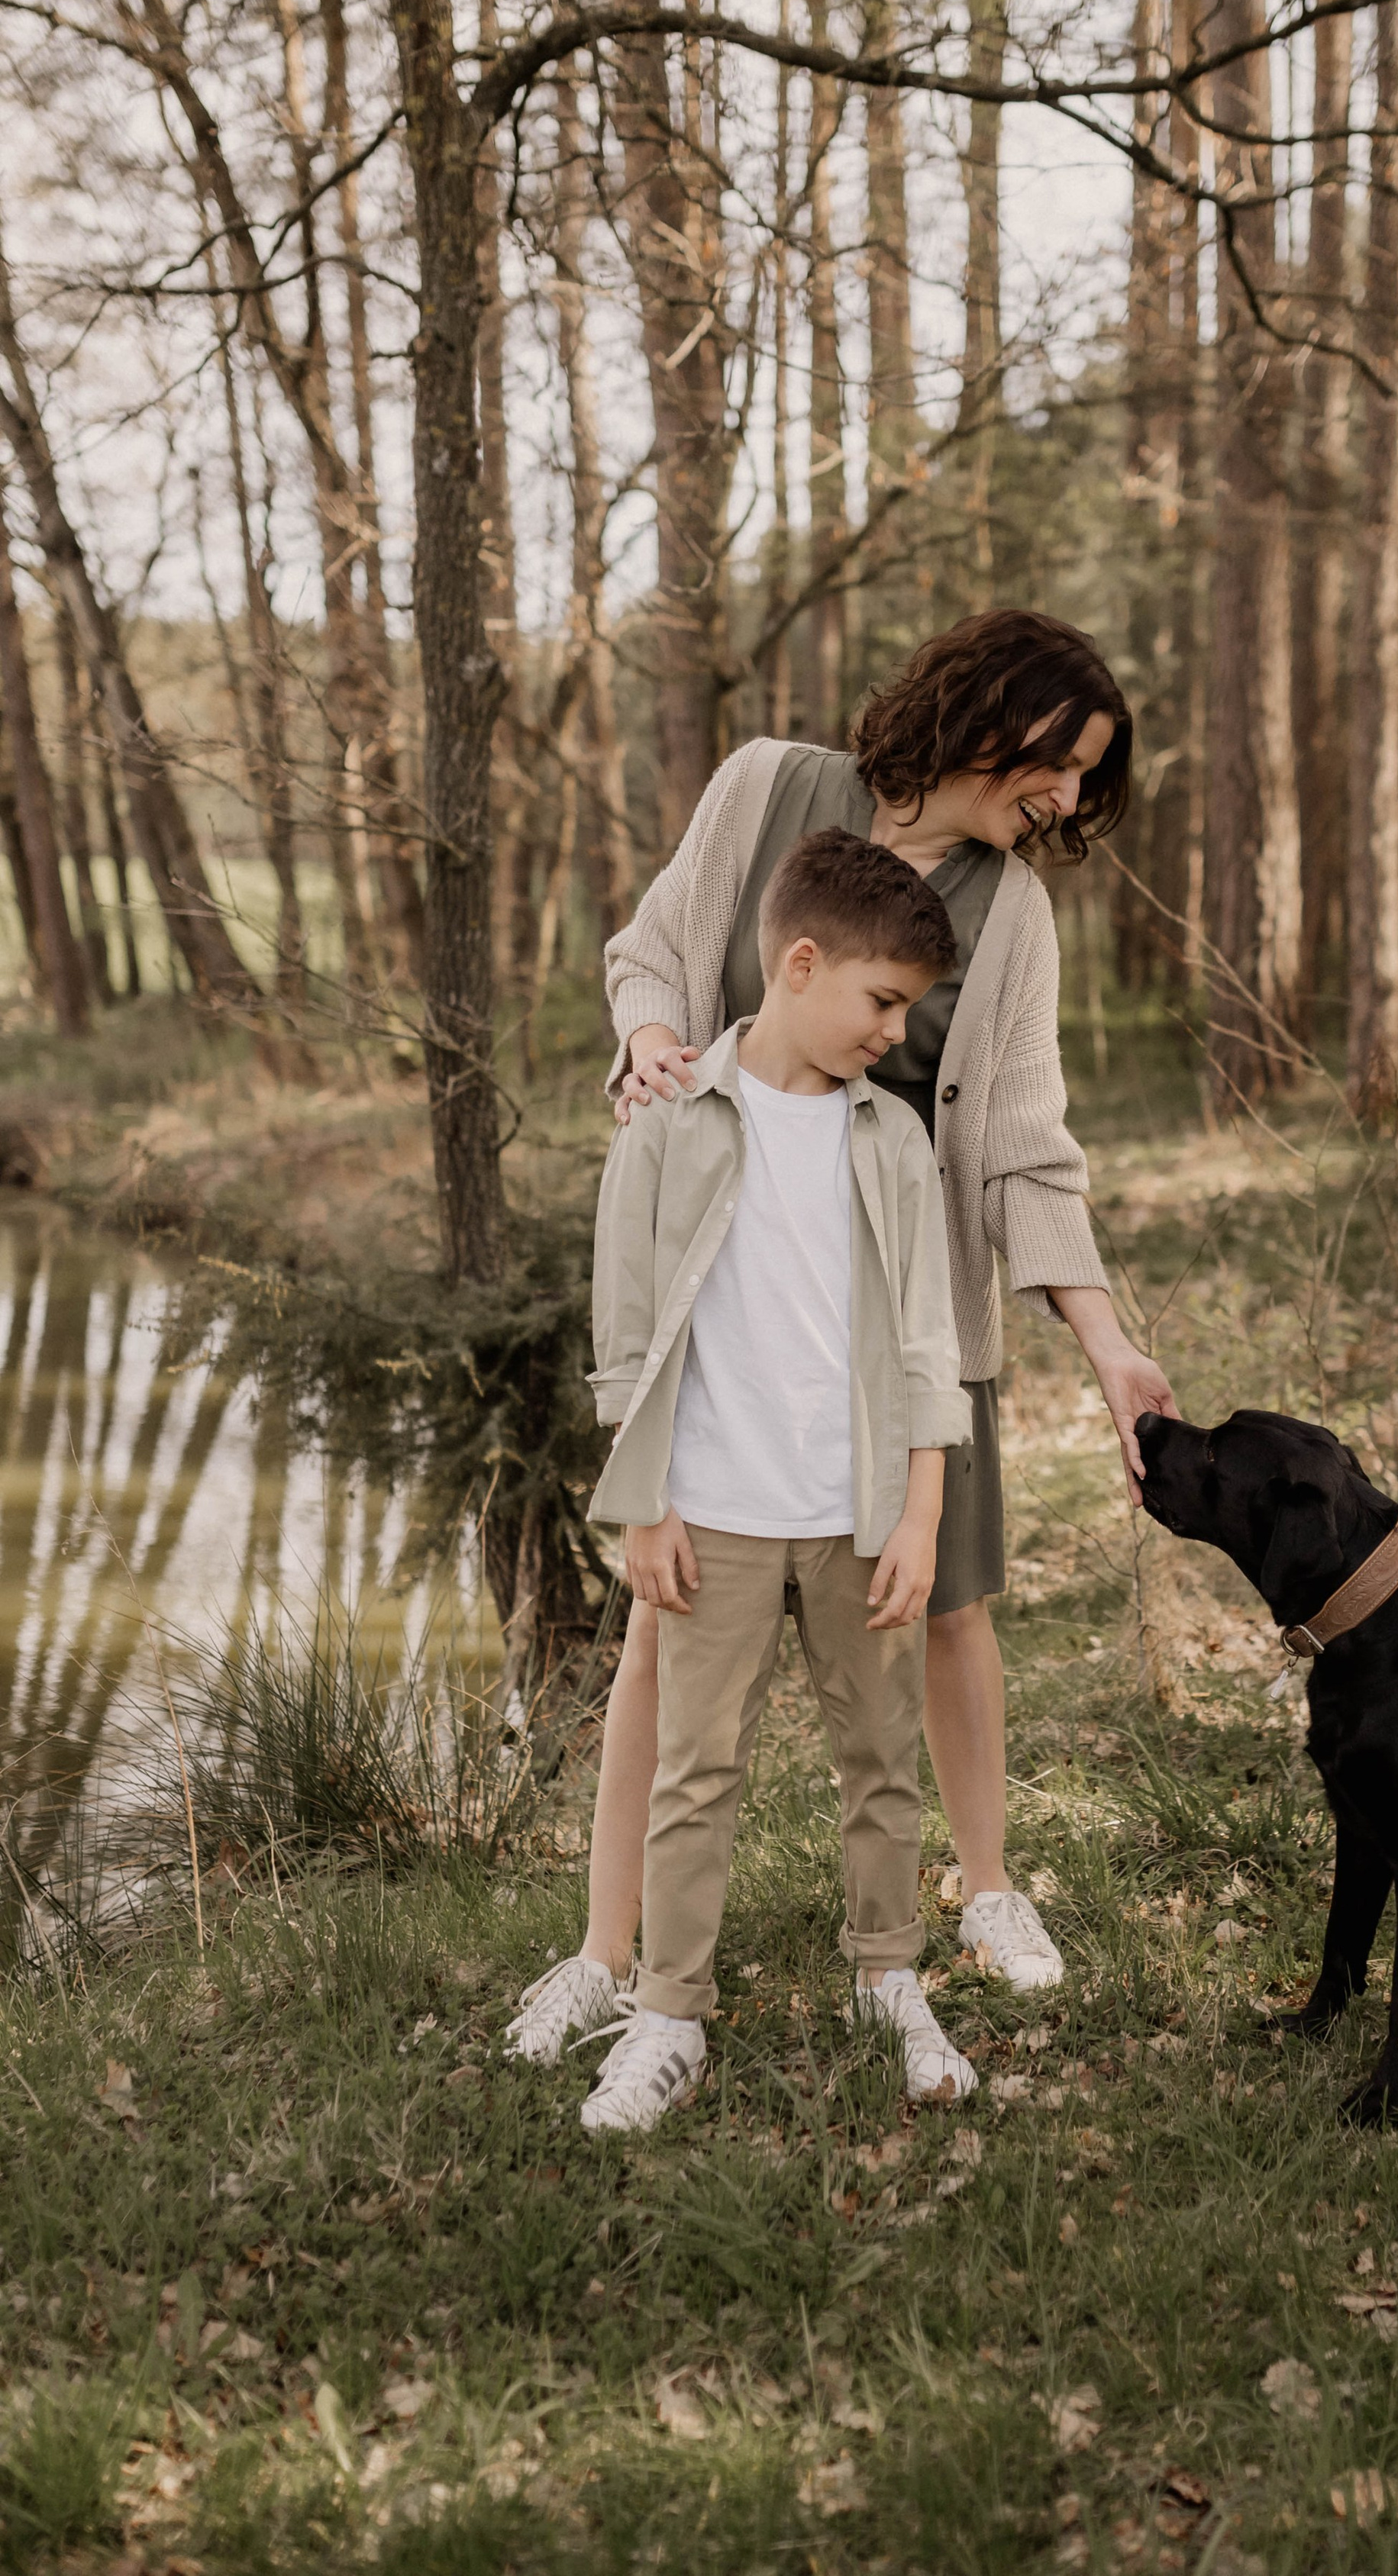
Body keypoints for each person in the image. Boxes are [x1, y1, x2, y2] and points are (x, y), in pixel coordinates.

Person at [507, 608, 1179, 2067]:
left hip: (909, 1327)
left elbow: (1022, 1147)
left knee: (944, 1607)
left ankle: (988, 1894)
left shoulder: (1016, 916)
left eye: (1086, 782)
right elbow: (657, 954)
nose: (1066, 799)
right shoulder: (766, 787)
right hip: (726, 1305)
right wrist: (643, 1043)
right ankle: (604, 1957)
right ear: (989, 708)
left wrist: (1106, 1343)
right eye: (1060, 761)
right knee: (661, 1638)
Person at [573, 829, 980, 2130]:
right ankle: (668, 2013)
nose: (893, 1032)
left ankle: (889, 1976)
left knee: (882, 1756)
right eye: (881, 1002)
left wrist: (919, 1514)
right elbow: (626, 1339)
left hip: (857, 1511)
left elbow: (928, 1343)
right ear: (800, 963)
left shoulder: (891, 1140)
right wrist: (645, 1504)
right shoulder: (670, 1124)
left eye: (907, 1011)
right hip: (717, 1518)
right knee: (697, 1772)